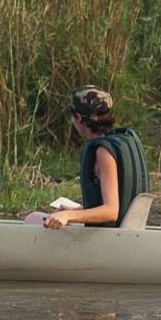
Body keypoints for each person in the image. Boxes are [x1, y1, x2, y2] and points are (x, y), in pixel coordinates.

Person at [41, 86, 150, 230]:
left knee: (32, 218)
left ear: (79, 118)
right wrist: (76, 211)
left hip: (109, 238)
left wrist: (67, 216)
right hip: (127, 231)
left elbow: (111, 212)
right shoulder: (125, 139)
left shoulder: (103, 152)